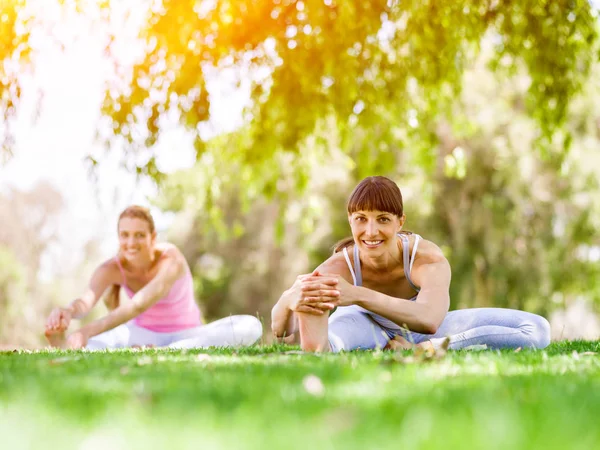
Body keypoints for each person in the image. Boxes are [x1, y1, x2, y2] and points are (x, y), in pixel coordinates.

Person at [271, 176, 551, 352]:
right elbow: (284, 331)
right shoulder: (337, 268)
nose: (370, 232)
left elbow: (429, 320)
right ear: (350, 220)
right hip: (362, 324)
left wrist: (356, 294)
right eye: (361, 219)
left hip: (417, 332)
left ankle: (425, 350)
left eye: (383, 219)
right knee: (328, 348)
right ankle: (402, 347)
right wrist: (288, 300)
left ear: (400, 221)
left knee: (537, 330)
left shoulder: (427, 258)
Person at [45, 206, 263, 350]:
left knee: (251, 326)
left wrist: (88, 329)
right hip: (140, 336)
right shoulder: (111, 268)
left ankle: (173, 350)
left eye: (139, 235)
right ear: (118, 237)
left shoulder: (171, 258)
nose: (131, 243)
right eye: (125, 235)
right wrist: (68, 312)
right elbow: (86, 300)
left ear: (153, 237)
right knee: (94, 344)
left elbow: (138, 305)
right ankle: (61, 344)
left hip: (188, 334)